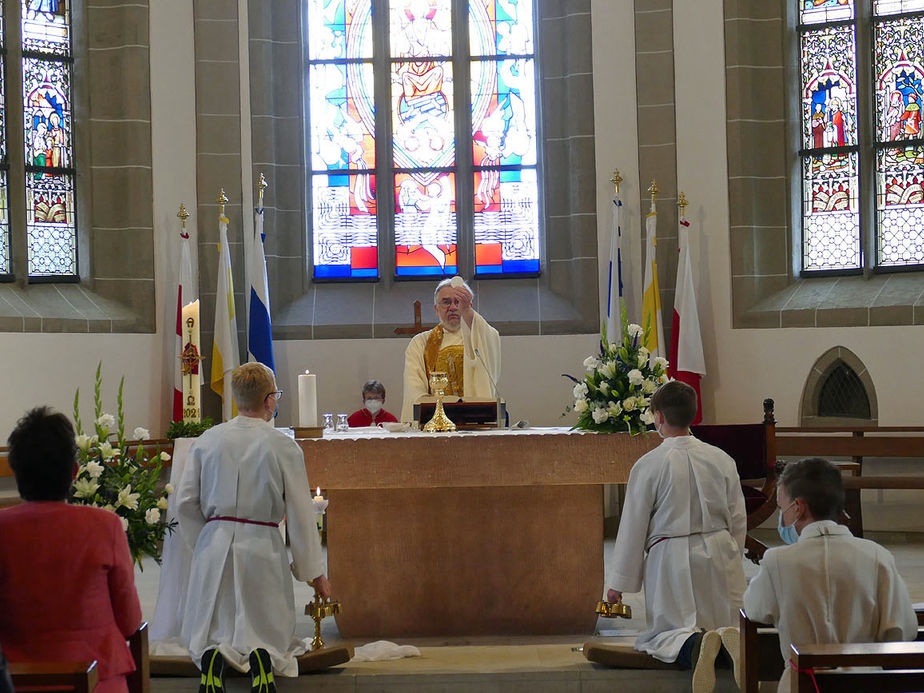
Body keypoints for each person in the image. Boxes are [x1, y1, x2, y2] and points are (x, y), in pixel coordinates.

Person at [177, 362, 331, 693]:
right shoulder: (282, 445)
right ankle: (263, 658)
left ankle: (212, 660)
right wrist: (313, 571)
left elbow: (185, 502)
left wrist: (204, 540)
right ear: (270, 400)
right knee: (266, 627)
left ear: (235, 399)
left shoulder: (207, 441)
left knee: (214, 625)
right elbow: (301, 513)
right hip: (262, 542)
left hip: (215, 541)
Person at [603, 381, 747, 693]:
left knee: (664, 635)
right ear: (693, 416)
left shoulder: (650, 464)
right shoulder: (722, 458)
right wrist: (732, 552)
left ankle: (694, 645)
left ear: (658, 417)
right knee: (728, 624)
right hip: (721, 550)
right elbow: (738, 518)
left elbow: (632, 527)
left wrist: (618, 585)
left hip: (672, 558)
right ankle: (724, 642)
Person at [743, 457, 917, 693]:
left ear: (799, 507)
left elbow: (754, 609)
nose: (782, 519)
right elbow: (902, 629)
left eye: (783, 510)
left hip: (802, 684)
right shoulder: (878, 557)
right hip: (867, 685)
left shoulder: (777, 561)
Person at [0, 407, 142, 693]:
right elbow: (130, 622)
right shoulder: (105, 526)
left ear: (16, 471)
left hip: (17, 681)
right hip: (99, 679)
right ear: (75, 471)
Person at [400, 276, 501, 422]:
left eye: (459, 302)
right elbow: (414, 389)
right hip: (435, 423)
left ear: (469, 306)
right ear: (436, 309)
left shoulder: (478, 335)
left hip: (475, 420)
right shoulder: (421, 343)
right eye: (446, 302)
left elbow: (491, 341)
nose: (453, 307)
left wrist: (468, 313)